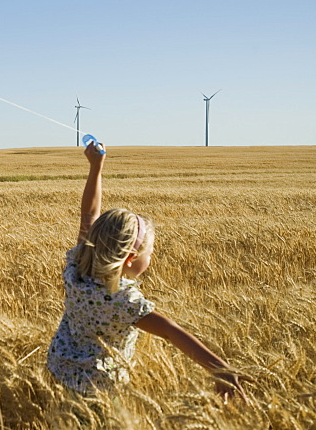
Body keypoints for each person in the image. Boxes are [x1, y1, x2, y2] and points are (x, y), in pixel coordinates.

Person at [47, 141, 249, 402]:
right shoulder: (123, 302)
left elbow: (89, 215)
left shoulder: (78, 267)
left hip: (59, 369)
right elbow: (169, 330)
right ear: (130, 258)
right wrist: (219, 367)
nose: (151, 258)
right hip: (98, 389)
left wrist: (96, 167)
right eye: (149, 253)